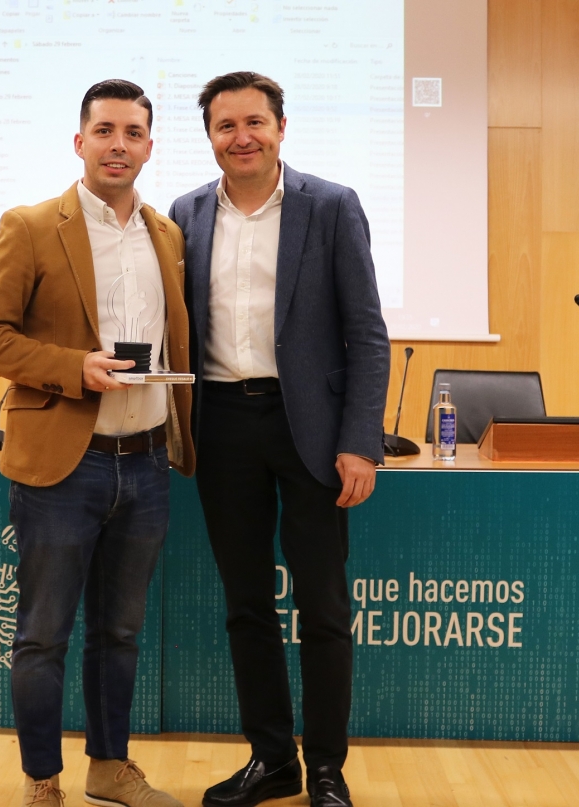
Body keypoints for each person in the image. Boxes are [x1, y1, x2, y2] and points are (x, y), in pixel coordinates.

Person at [0, 79, 194, 807]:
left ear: (149, 147)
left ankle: (109, 767)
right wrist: (75, 368)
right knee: (43, 635)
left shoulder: (168, 235)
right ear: (79, 141)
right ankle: (43, 779)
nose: (118, 145)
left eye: (133, 133)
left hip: (147, 463)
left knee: (119, 632)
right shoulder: (31, 226)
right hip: (64, 468)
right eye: (104, 131)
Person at [168, 72, 390, 807]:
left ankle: (325, 767)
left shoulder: (331, 206)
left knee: (323, 607)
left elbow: (366, 333)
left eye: (255, 122)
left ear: (281, 127)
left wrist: (360, 440)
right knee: (246, 605)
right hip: (223, 426)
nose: (242, 137)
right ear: (210, 137)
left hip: (314, 433)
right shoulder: (186, 214)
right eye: (226, 125)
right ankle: (272, 760)